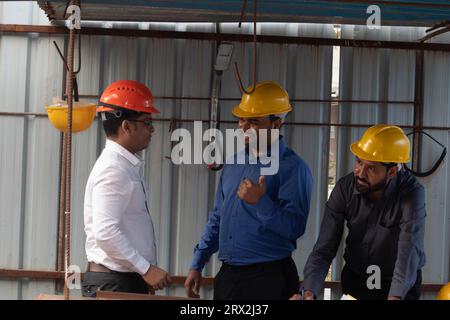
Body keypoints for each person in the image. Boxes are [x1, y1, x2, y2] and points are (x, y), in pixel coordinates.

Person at [184, 81, 313, 300]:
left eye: (254, 121)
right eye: (242, 119)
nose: (243, 127)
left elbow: (295, 227)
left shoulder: (294, 168)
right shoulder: (234, 163)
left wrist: (261, 203)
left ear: (276, 124)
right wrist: (198, 262)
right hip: (228, 277)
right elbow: (217, 217)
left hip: (269, 279)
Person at [292, 124, 426, 300]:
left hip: (396, 283)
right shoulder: (344, 188)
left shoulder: (411, 193)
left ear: (392, 171)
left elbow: (408, 251)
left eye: (371, 168)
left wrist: (395, 297)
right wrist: (308, 291)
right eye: (359, 162)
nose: (360, 173)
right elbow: (324, 247)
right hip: (357, 280)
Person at [82, 80, 171, 297]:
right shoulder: (113, 170)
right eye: (147, 121)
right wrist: (146, 269)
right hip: (114, 283)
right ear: (127, 127)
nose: (152, 129)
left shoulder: (123, 166)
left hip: (123, 280)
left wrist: (142, 272)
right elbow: (105, 232)